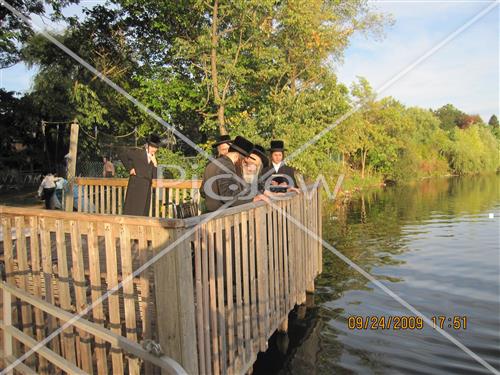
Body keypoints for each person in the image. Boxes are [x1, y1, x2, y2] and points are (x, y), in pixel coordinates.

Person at [201, 136, 268, 212]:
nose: (241, 163)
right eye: (241, 159)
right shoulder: (227, 166)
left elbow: (203, 190)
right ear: (237, 156)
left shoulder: (211, 164)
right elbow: (228, 195)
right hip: (222, 216)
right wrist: (253, 199)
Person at [119, 134, 161, 216]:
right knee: (132, 211)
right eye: (152, 147)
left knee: (143, 213)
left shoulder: (154, 159)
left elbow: (155, 177)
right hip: (136, 186)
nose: (154, 149)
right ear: (148, 146)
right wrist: (130, 168)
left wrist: (155, 164)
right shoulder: (138, 152)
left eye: (156, 147)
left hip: (146, 189)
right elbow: (122, 154)